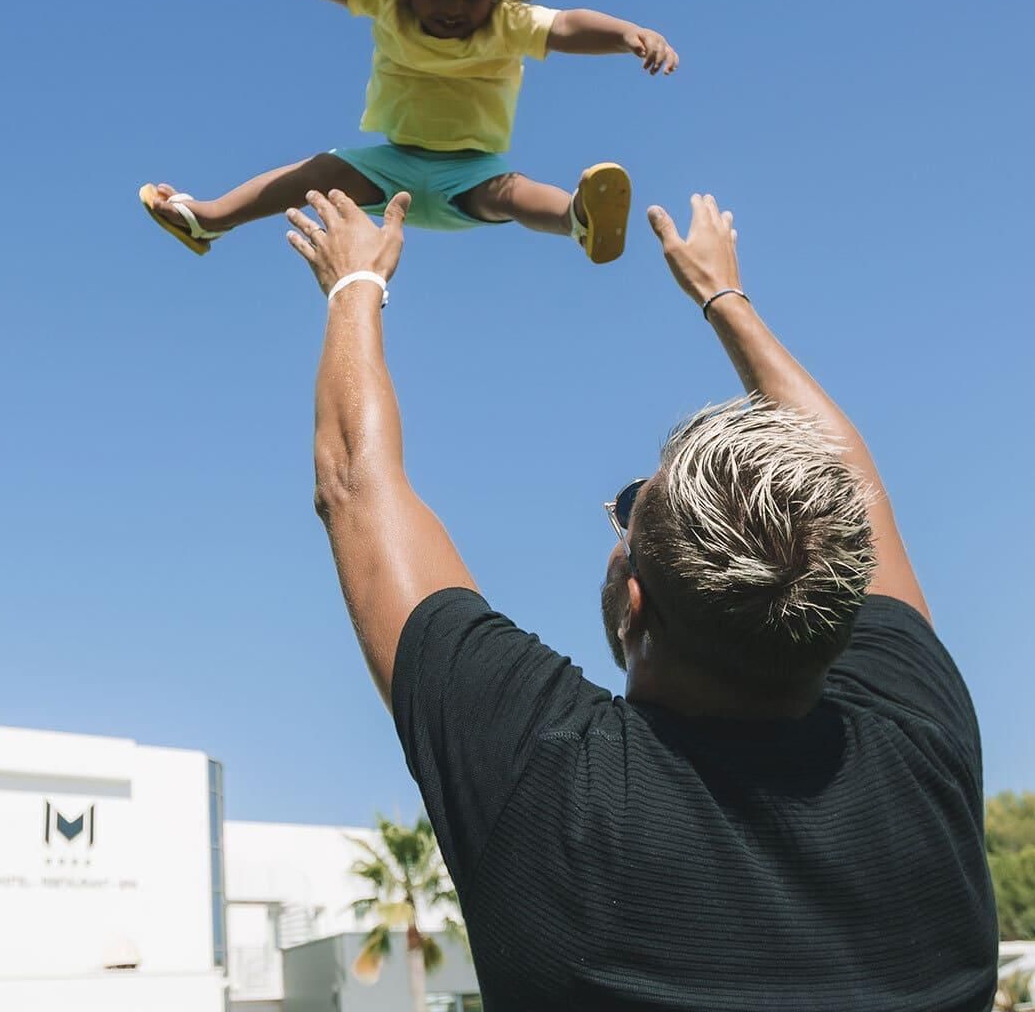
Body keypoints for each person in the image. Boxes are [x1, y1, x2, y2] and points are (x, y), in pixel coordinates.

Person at [286, 188, 998, 1010]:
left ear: (635, 602)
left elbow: (355, 483)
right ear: (840, 594)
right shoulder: (917, 741)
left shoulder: (550, 782)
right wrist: (722, 296)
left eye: (629, 512)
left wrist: (354, 285)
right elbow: (855, 487)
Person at [140, 0, 677, 263]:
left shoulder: (508, 22)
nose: (454, 6)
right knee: (320, 171)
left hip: (470, 172)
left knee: (511, 193)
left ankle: (578, 219)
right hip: (388, 164)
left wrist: (628, 34)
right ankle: (208, 219)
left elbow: (567, 26)